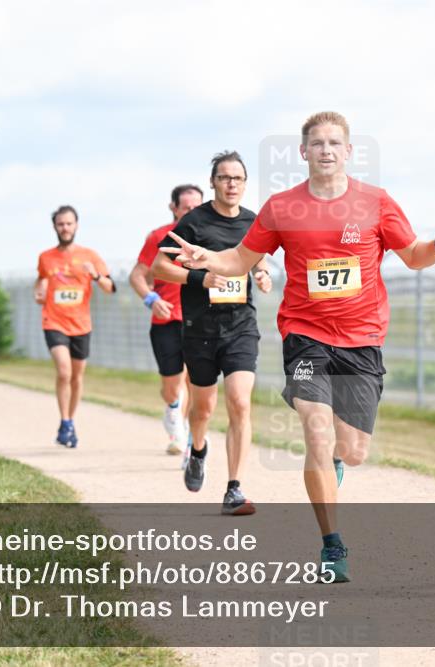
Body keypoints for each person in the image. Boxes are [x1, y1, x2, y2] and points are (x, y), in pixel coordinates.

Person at [163, 112, 435, 577]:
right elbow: (240, 259)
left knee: (352, 450)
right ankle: (332, 545)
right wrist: (208, 258)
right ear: (303, 152)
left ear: (348, 152)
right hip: (305, 336)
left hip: (362, 339)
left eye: (335, 143)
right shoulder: (282, 207)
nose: (326, 149)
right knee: (315, 428)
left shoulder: (376, 202)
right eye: (317, 143)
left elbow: (414, 257)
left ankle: (335, 463)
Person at [154, 151, 274, 516]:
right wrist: (198, 277)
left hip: (240, 327)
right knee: (203, 409)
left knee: (239, 401)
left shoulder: (254, 222)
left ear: (245, 183)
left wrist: (262, 274)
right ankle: (199, 450)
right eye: (224, 178)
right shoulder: (194, 222)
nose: (231, 184)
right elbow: (160, 267)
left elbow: (257, 257)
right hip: (200, 330)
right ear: (213, 182)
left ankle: (234, 488)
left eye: (238, 178)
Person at [129, 184, 203, 455]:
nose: (193, 213)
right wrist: (152, 299)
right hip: (166, 319)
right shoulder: (159, 237)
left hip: (199, 320)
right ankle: (173, 410)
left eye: (198, 207)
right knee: (172, 385)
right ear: (174, 208)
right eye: (187, 208)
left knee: (195, 379)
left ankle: (182, 432)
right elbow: (137, 276)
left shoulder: (208, 236)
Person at [36, 205, 115, 448]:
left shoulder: (90, 256)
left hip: (81, 324)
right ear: (55, 227)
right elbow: (41, 280)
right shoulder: (46, 257)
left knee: (77, 377)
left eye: (69, 223)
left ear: (76, 225)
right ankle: (65, 420)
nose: (65, 228)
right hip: (54, 321)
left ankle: (69, 421)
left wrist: (95, 276)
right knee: (64, 371)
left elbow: (110, 288)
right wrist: (38, 290)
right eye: (61, 224)